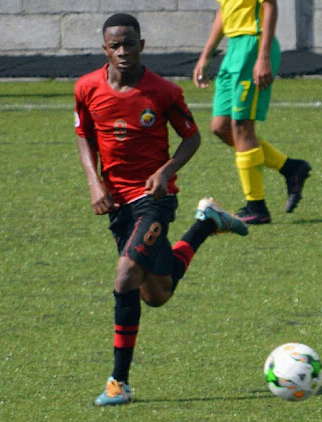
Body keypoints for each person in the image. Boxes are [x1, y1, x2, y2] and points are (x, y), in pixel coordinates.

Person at [74, 13, 249, 406]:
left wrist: (166, 170)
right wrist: (93, 181)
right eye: (115, 45)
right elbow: (83, 134)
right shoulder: (86, 88)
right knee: (156, 294)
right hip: (117, 203)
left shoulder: (163, 92)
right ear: (105, 48)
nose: (123, 51)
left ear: (142, 45)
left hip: (155, 200)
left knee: (124, 277)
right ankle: (206, 223)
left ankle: (119, 383)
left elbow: (191, 137)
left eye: (129, 43)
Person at [192, 0, 311, 224]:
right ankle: (291, 168)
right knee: (220, 127)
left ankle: (256, 207)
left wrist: (263, 56)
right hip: (234, 49)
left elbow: (270, 6)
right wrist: (206, 55)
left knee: (242, 125)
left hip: (254, 44)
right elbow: (223, 12)